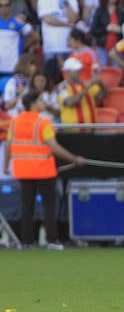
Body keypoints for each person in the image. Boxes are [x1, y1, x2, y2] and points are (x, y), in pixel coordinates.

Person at [4, 91, 86, 249]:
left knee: (27, 206)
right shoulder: (43, 123)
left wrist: (7, 166)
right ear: (34, 104)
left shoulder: (14, 122)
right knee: (49, 205)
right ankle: (51, 240)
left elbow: (8, 144)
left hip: (23, 170)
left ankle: (26, 241)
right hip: (43, 169)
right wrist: (74, 158)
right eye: (40, 100)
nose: (43, 103)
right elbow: (54, 147)